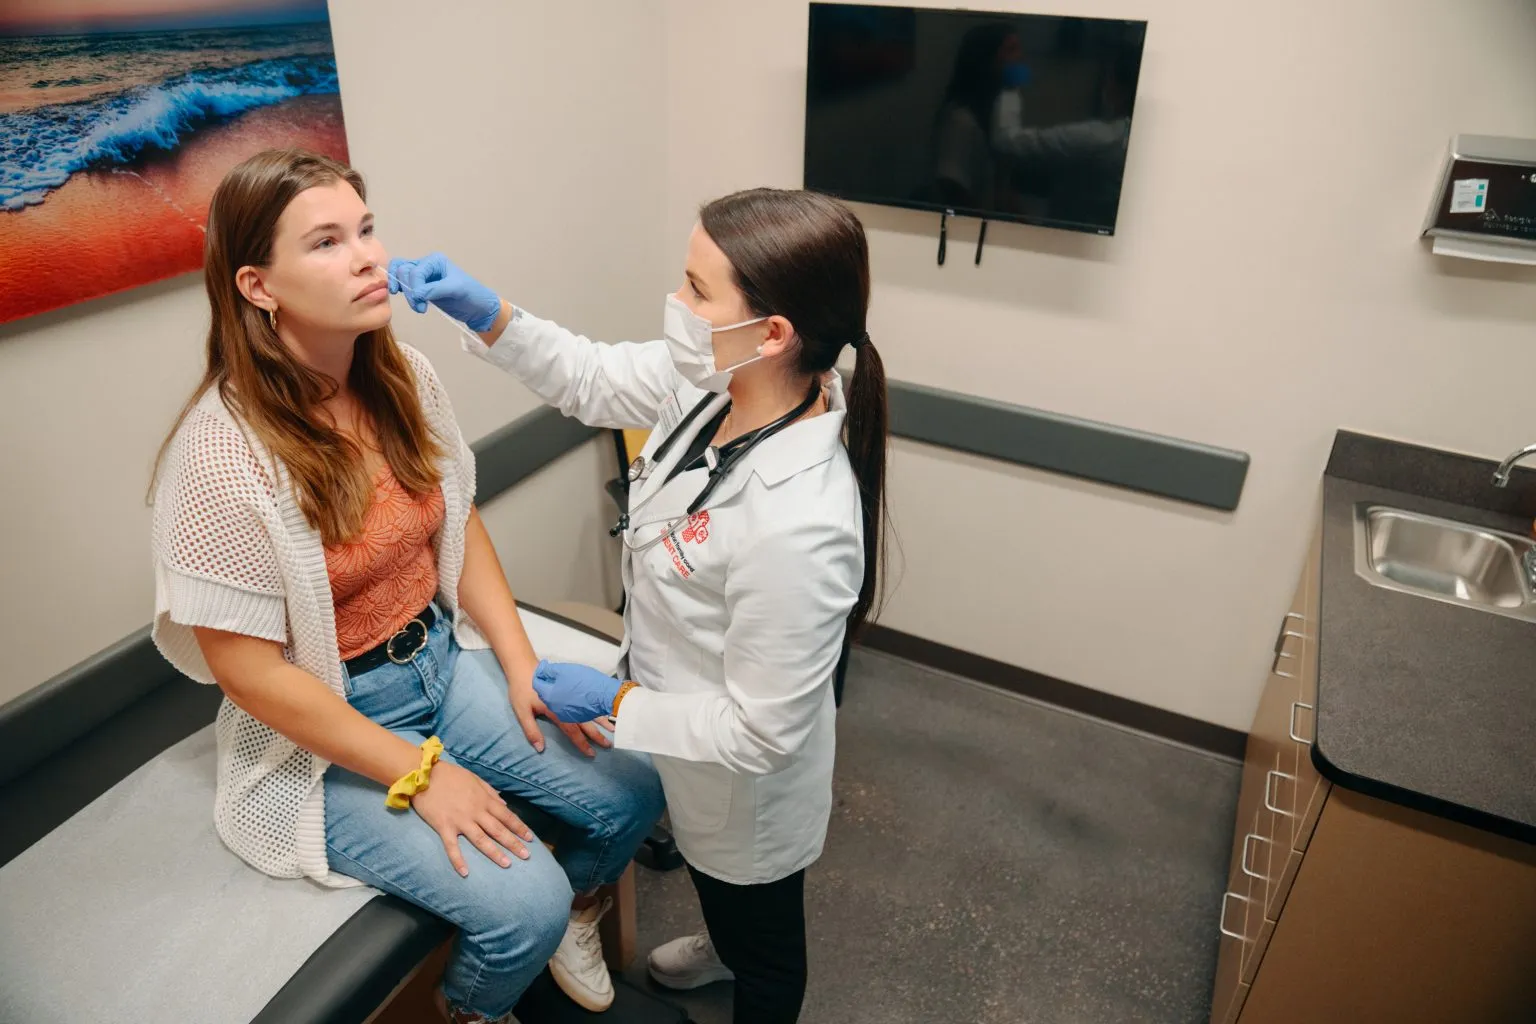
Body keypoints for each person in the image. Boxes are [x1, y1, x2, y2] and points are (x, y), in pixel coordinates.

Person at [149, 148, 664, 1024]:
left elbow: (457, 522)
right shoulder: (219, 454)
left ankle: (583, 909)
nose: (367, 258)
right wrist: (421, 775)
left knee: (636, 789)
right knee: (521, 906)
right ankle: (472, 1009)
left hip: (433, 661)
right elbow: (248, 673)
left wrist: (519, 666)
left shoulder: (402, 378)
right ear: (258, 285)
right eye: (326, 242)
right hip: (329, 718)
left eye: (367, 230)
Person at [388, 186, 891, 1024]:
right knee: (709, 870)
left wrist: (620, 705)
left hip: (746, 785)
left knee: (764, 937)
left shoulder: (801, 523)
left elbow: (762, 733)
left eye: (697, 290)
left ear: (774, 333)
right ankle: (721, 939)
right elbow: (589, 377)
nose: (678, 305)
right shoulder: (713, 380)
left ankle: (743, 964)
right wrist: (488, 314)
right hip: (681, 724)